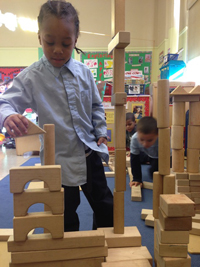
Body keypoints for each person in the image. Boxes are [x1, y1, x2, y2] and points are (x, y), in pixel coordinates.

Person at [0, 0, 113, 232]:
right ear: (39, 37)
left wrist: (101, 131)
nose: (58, 50)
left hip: (89, 153)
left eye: (66, 43)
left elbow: (95, 106)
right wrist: (8, 116)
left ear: (76, 39)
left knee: (105, 206)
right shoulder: (32, 76)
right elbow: (5, 102)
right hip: (58, 160)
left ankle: (104, 243)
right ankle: (67, 252)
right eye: (50, 42)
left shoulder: (84, 73)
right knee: (63, 213)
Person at [129, 116, 158, 188]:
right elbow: (134, 160)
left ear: (157, 135)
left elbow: (169, 158)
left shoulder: (163, 138)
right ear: (137, 133)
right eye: (142, 139)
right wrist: (136, 178)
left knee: (154, 173)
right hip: (147, 153)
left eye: (150, 140)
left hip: (160, 156)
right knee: (137, 158)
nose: (145, 144)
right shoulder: (134, 138)